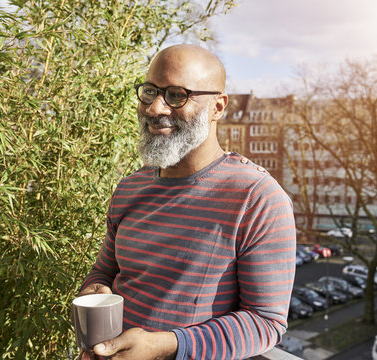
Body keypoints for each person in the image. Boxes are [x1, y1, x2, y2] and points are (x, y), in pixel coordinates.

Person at [78, 44, 297, 360]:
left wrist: (164, 346)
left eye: (177, 95)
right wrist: (93, 291)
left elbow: (265, 322)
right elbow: (104, 271)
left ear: (218, 107)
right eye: (150, 91)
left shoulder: (258, 199)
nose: (156, 108)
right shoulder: (129, 188)